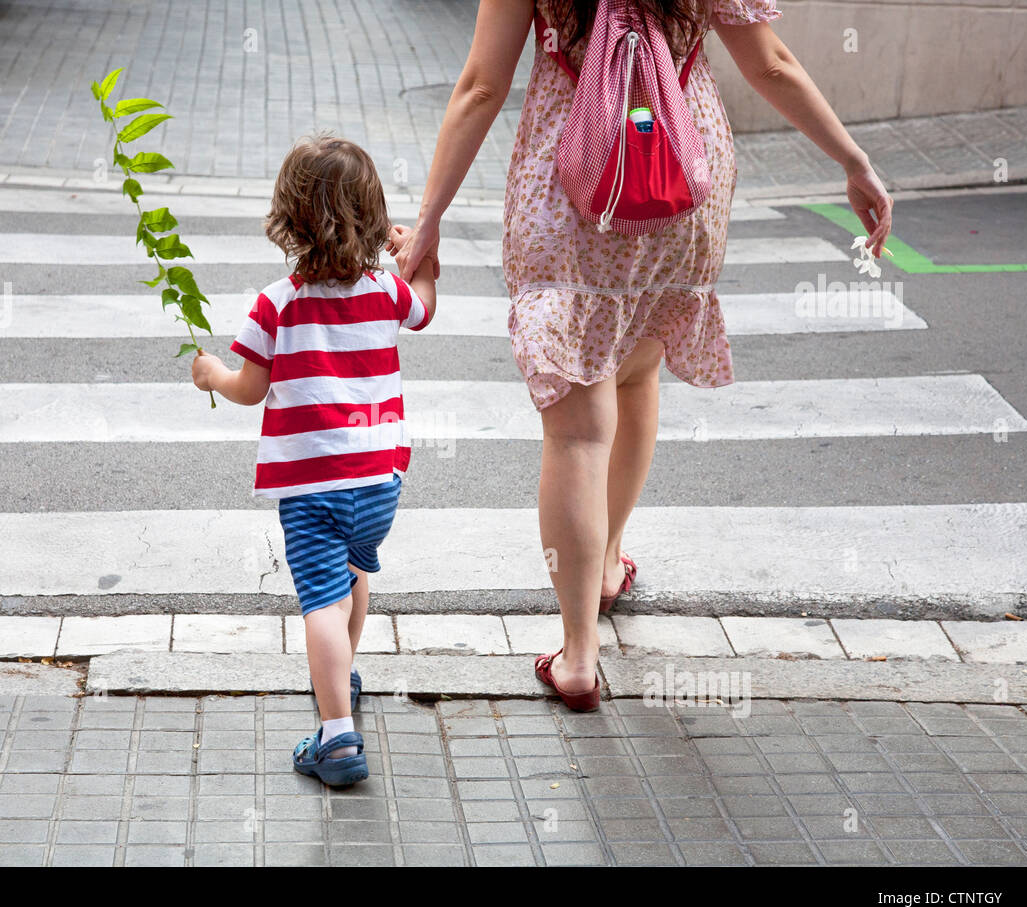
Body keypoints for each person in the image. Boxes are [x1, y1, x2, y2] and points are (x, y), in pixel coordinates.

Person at [392, 0, 893, 712]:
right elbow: (770, 63)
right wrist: (855, 161)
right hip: (681, 180)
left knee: (574, 432)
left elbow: (482, 83)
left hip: (572, 190)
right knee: (636, 376)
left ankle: (578, 655)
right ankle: (604, 565)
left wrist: (431, 219)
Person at [191, 134, 437, 785]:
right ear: (374, 217)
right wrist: (423, 258)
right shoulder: (388, 290)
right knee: (354, 575)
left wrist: (214, 374)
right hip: (381, 481)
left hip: (313, 486)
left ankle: (335, 739)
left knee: (320, 603)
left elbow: (249, 389)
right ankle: (342, 680)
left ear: (290, 217)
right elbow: (426, 309)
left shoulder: (277, 303)